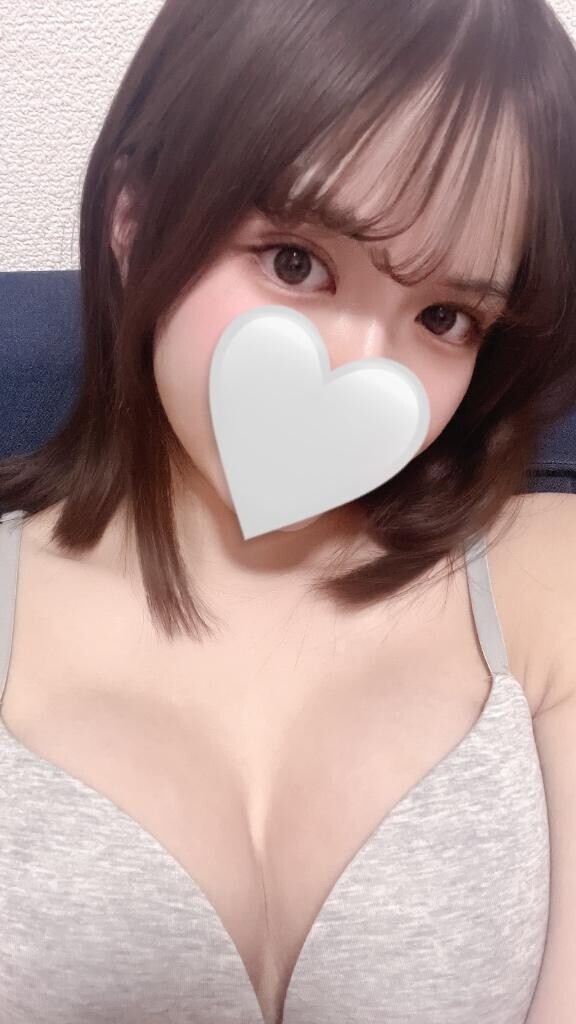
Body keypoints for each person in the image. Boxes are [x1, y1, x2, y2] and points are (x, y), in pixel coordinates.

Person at [1, 0, 576, 1021]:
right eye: (296, 262)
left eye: (445, 316)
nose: (363, 372)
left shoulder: (544, 574)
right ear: (134, 216)